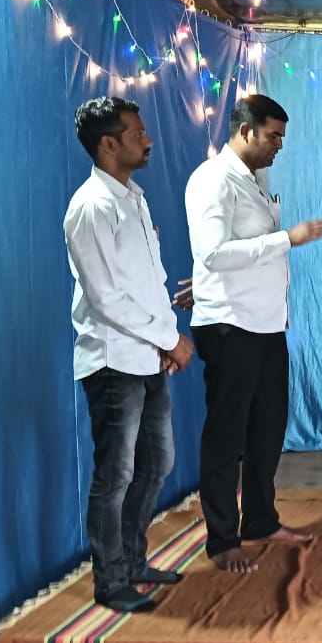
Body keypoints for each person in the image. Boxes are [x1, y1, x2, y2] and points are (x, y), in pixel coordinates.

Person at [184, 94, 322, 572]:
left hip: (267, 324)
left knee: (268, 429)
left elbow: (238, 252)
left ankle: (261, 520)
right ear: (245, 131)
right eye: (273, 136)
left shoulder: (256, 179)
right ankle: (222, 540)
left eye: (282, 137)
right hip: (230, 325)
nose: (279, 146)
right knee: (227, 435)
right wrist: (288, 238)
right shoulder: (213, 180)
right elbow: (212, 254)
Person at [64, 96, 195, 613]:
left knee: (157, 462)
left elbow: (149, 283)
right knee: (115, 474)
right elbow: (107, 298)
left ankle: (134, 560)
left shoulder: (133, 198)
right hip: (112, 360)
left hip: (146, 356)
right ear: (108, 144)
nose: (149, 140)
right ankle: (111, 580)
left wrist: (165, 338)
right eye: (138, 133)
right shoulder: (90, 207)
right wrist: (168, 339)